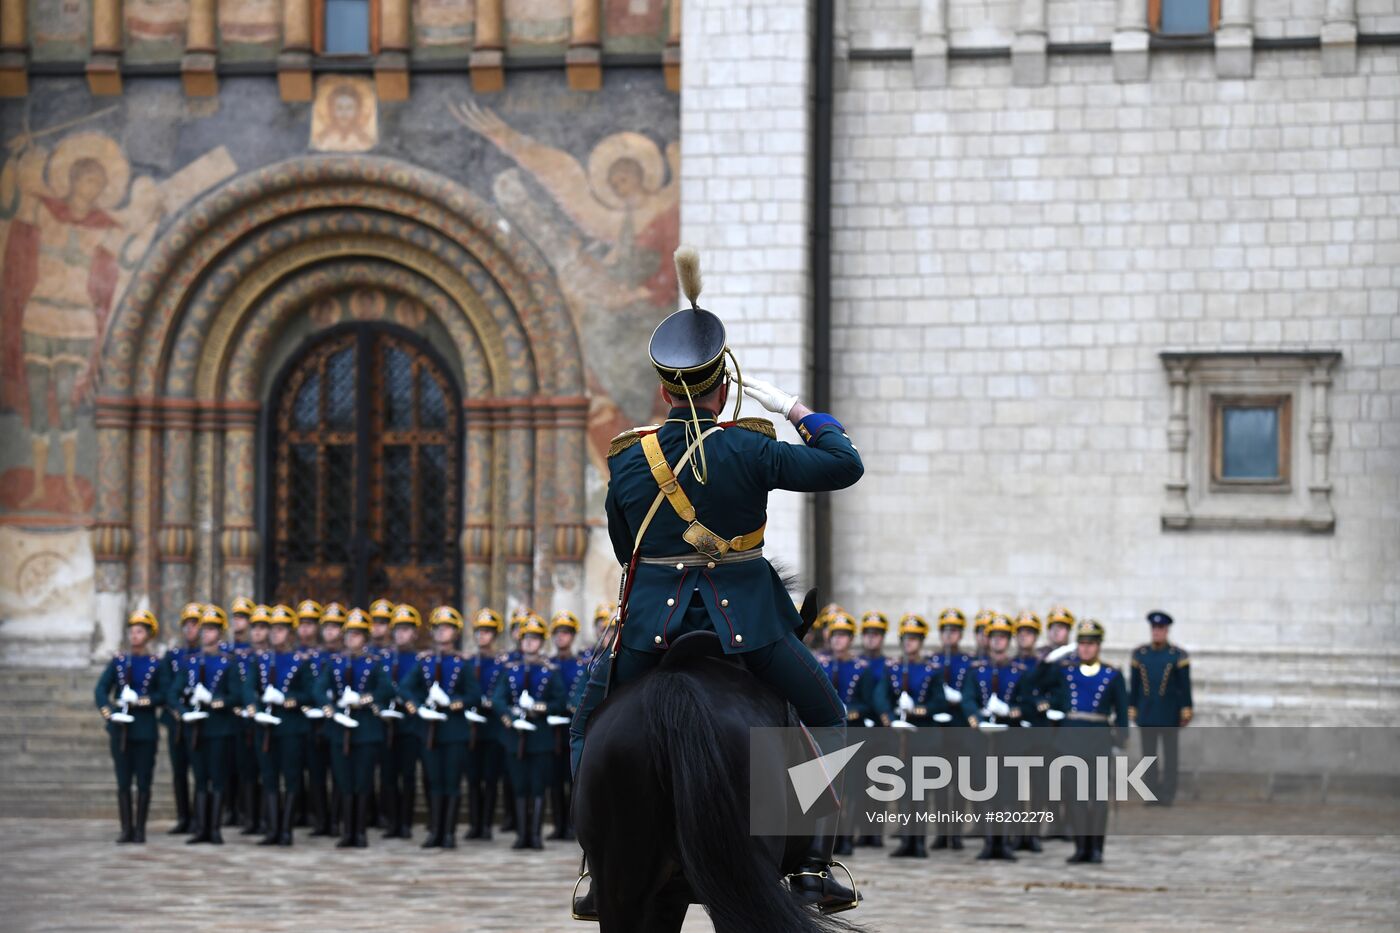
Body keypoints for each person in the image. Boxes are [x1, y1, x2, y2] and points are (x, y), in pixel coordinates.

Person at [570, 246, 863, 918]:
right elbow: (843, 463)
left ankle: (598, 863)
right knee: (827, 716)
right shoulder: (751, 445)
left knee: (586, 726)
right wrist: (791, 406)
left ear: (666, 390)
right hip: (749, 623)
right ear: (723, 387)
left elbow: (626, 547)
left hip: (650, 625)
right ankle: (815, 861)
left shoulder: (628, 457)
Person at [402, 605, 479, 849]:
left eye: (446, 628)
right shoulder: (423, 662)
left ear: (455, 633)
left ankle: (449, 833)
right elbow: (405, 688)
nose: (441, 633)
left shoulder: (462, 663)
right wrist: (417, 705)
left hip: (454, 730)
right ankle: (435, 831)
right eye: (437, 628)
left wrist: (453, 703)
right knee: (433, 781)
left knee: (452, 783)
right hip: (430, 731)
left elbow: (474, 696)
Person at [316, 607, 392, 848]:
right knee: (343, 780)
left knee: (363, 781)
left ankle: (360, 832)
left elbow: (386, 689)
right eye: (349, 634)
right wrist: (330, 708)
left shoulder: (375, 663)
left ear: (365, 637)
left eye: (358, 634)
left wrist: (363, 700)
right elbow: (318, 688)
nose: (352, 638)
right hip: (340, 728)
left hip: (366, 728)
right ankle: (347, 831)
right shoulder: (335, 662)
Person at [494, 611, 568, 850]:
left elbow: (560, 701)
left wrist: (538, 707)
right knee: (519, 785)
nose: (529, 642)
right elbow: (498, 698)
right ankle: (521, 834)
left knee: (537, 786)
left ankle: (534, 835)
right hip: (515, 736)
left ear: (541, 642)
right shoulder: (510, 670)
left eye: (535, 638)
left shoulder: (550, 670)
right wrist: (511, 715)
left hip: (540, 738)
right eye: (526, 637)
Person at [961, 613, 1031, 861]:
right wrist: (976, 719)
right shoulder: (976, 670)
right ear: (988, 640)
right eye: (995, 637)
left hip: (1008, 735)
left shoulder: (1019, 670)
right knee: (985, 789)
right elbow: (967, 698)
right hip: (983, 736)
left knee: (1007, 790)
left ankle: (1005, 841)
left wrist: (1011, 712)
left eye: (1003, 637)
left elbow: (1027, 702)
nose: (999, 642)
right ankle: (989, 841)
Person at [169, 604, 238, 845]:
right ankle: (200, 828)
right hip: (195, 729)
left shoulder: (228, 662)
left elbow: (235, 696)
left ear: (220, 633)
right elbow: (173, 693)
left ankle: (215, 829)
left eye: (212, 630)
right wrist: (183, 712)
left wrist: (214, 701)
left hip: (219, 728)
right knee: (199, 778)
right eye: (204, 629)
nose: (207, 633)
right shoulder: (189, 662)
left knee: (217, 778)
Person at [886, 612, 954, 858]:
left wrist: (914, 709)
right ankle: (906, 840)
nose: (909, 643)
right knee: (904, 793)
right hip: (902, 737)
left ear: (921, 640)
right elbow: (880, 697)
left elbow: (939, 703)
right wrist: (890, 716)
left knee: (922, 793)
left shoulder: (931, 670)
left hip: (924, 736)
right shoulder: (893, 668)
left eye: (914, 638)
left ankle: (920, 842)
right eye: (906, 638)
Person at [95, 609, 166, 844]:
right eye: (132, 631)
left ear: (148, 635)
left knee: (143, 780)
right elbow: (101, 689)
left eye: (139, 631)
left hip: (144, 729)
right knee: (123, 780)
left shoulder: (156, 663)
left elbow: (163, 694)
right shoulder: (119, 661)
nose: (134, 636)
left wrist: (142, 700)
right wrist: (109, 712)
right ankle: (126, 828)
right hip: (121, 729)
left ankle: (140, 829)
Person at [245, 604, 314, 846]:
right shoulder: (261, 660)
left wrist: (286, 700)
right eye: (273, 629)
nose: (276, 634)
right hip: (266, 728)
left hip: (291, 727)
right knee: (269, 776)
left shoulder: (300, 661)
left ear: (290, 633)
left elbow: (310, 694)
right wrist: (255, 707)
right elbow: (248, 688)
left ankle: (286, 830)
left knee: (292, 777)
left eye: (281, 629)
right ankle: (272, 829)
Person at [1062, 618, 1129, 864]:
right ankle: (1081, 847)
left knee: (1098, 798)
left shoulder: (1112, 674)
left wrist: (1121, 741)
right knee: (1075, 797)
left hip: (1098, 738)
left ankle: (1097, 847)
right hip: (1071, 739)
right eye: (1082, 644)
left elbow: (1121, 711)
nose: (1086, 648)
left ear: (1099, 645)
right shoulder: (1066, 671)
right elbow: (1040, 678)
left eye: (1091, 644)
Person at [1130, 610, 1192, 807]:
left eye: (1161, 629)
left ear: (1166, 631)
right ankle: (1150, 794)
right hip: (1147, 712)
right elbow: (1135, 685)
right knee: (1148, 756)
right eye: (1154, 629)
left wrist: (1186, 708)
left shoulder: (1177, 655)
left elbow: (1184, 686)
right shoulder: (1140, 654)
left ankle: (1167, 794)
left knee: (1170, 756)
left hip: (1169, 712)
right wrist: (1132, 706)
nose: (1157, 632)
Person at [929, 607, 972, 850]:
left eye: (954, 631)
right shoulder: (933, 661)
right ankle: (941, 832)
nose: (949, 635)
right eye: (945, 631)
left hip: (960, 726)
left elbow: (971, 692)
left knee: (959, 783)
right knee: (939, 784)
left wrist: (959, 698)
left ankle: (956, 833)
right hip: (938, 728)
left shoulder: (968, 662)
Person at [382, 603, 424, 839]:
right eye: (397, 629)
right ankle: (391, 822)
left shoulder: (420, 660)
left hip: (409, 724)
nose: (401, 634)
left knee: (407, 776)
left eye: (406, 629)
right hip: (387, 725)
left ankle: (406, 822)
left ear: (415, 633)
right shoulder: (383, 658)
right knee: (388, 776)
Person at [464, 607, 507, 841]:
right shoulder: (468, 662)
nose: (483, 636)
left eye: (488, 632)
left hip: (492, 727)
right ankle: (474, 823)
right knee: (472, 778)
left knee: (490, 778)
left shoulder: (502, 663)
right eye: (480, 631)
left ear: (495, 635)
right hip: (471, 727)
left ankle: (487, 824)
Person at [161, 601, 202, 834]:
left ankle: (198, 817)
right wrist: (177, 709)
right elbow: (167, 687)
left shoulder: (209, 655)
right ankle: (183, 816)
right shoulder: (173, 656)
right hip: (176, 720)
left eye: (195, 624)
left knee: (199, 770)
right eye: (187, 624)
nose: (190, 629)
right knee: (179, 771)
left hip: (198, 720)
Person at [548, 609, 585, 840]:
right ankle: (557, 824)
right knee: (553, 779)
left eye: (567, 633)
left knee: (574, 778)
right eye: (558, 633)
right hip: (550, 730)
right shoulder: (546, 665)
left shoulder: (582, 665)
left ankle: (573, 825)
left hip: (573, 727)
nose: (562, 637)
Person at [227, 595, 262, 835]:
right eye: (236, 617)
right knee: (233, 766)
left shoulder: (256, 654)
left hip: (254, 715)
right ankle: (234, 810)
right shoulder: (226, 651)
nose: (239, 622)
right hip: (232, 715)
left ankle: (253, 814)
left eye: (243, 618)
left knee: (254, 768)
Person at [367, 597, 397, 831]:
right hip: (368, 718)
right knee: (366, 772)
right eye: (375, 622)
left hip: (392, 719)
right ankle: (369, 813)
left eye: (383, 622)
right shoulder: (365, 654)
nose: (378, 627)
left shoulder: (394, 655)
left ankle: (389, 814)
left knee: (389, 772)